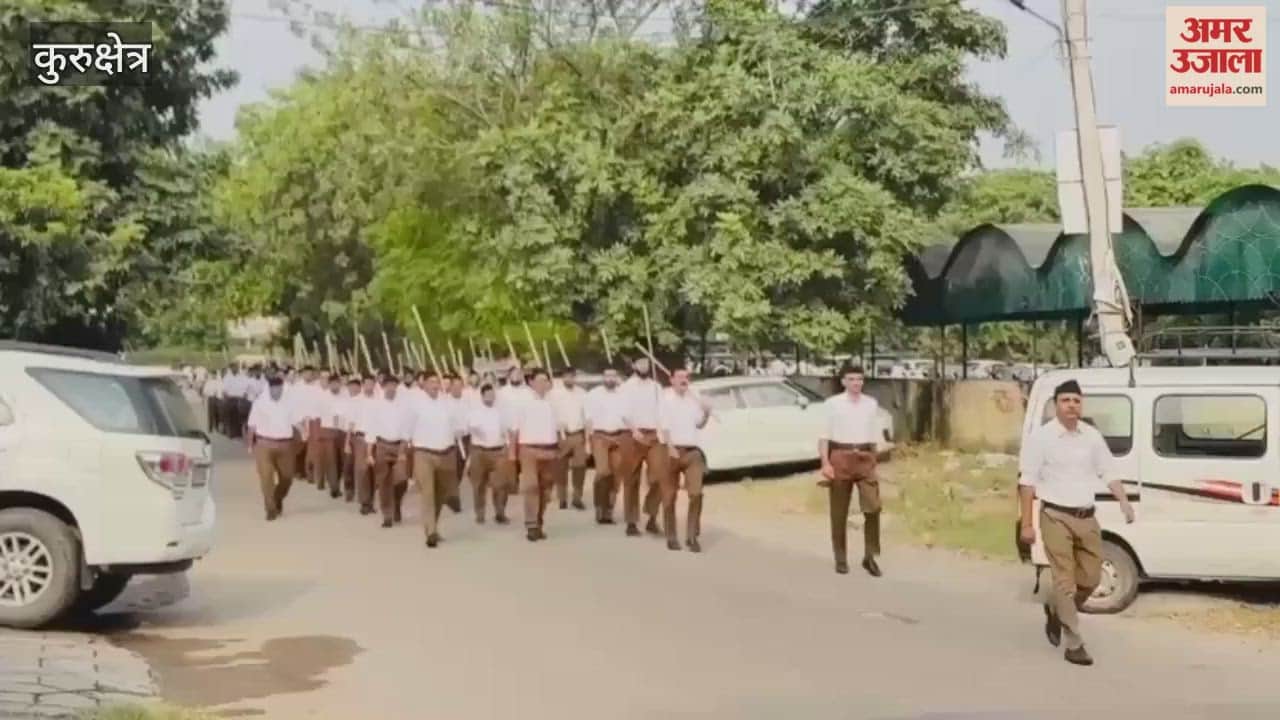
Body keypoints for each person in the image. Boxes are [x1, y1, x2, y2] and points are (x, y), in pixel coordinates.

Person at [1018, 379, 1135, 667]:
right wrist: (1027, 524)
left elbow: (1108, 470)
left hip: (1086, 517)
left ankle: (1058, 611)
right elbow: (1027, 483)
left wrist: (1123, 501)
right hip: (1055, 516)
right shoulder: (1042, 438)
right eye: (1065, 400)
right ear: (1056, 404)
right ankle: (1074, 643)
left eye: (1076, 400)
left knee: (1092, 579)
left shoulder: (1091, 436)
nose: (1072, 405)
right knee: (1064, 580)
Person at [819, 365, 884, 577]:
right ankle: (840, 557)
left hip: (865, 456)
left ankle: (870, 556)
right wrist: (825, 463)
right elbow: (824, 436)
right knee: (839, 511)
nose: (856, 383)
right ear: (844, 381)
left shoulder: (871, 403)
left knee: (873, 507)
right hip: (840, 455)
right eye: (852, 379)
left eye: (860, 379)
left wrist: (874, 459)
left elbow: (874, 433)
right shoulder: (832, 404)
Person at [658, 367, 712, 552]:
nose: (683, 380)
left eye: (686, 377)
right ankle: (671, 536)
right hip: (670, 449)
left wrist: (706, 413)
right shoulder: (665, 398)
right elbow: (663, 425)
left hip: (692, 452)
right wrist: (670, 446)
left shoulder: (693, 399)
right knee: (669, 496)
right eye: (679, 377)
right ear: (671, 380)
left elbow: (700, 424)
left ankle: (691, 536)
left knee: (696, 494)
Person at [408, 371, 464, 547]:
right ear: (423, 384)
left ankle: (433, 525)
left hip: (446, 452)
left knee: (441, 493)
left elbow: (459, 427)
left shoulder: (447, 403)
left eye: (436, 382)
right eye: (430, 382)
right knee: (428, 493)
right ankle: (430, 531)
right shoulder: (415, 404)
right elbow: (407, 429)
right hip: (424, 453)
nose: (434, 385)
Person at [510, 368, 563, 542]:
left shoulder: (554, 402)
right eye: (538, 381)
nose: (542, 384)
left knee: (546, 490)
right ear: (531, 382)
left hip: (549, 450)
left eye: (545, 381)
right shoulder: (523, 402)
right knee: (531, 486)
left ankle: (539, 520)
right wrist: (512, 452)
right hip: (529, 449)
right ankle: (531, 524)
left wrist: (559, 448)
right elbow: (514, 429)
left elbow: (559, 428)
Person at [619, 357, 667, 537]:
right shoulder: (626, 387)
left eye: (647, 363)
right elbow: (622, 412)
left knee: (659, 476)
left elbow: (663, 411)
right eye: (640, 363)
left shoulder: (656, 387)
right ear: (633, 366)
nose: (644, 366)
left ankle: (652, 516)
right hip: (632, 435)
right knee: (631, 479)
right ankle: (631, 522)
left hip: (654, 435)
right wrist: (633, 429)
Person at [246, 375, 305, 521]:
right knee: (266, 477)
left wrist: (304, 431)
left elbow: (296, 421)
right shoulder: (259, 403)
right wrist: (249, 444)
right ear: (269, 388)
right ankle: (270, 509)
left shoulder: (289, 403)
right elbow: (252, 426)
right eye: (274, 388)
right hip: (264, 444)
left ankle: (277, 498)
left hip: (285, 445)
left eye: (279, 388)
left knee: (287, 477)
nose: (277, 391)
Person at [366, 373, 413, 528]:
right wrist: (369, 453)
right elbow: (371, 430)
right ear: (383, 387)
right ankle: (387, 514)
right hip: (382, 446)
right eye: (388, 386)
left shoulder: (404, 406)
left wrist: (402, 450)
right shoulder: (376, 405)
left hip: (399, 445)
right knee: (384, 481)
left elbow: (407, 429)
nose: (391, 389)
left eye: (394, 386)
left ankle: (397, 504)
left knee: (402, 480)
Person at [584, 367, 627, 524]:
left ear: (617, 378)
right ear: (603, 377)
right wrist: (589, 442)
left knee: (617, 475)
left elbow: (627, 417)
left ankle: (609, 510)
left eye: (613, 376)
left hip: (619, 436)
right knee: (603, 472)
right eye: (607, 375)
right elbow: (588, 419)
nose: (610, 378)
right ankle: (599, 508)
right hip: (600, 436)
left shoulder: (623, 395)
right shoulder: (593, 395)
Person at [468, 384, 513, 524]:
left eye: (492, 395)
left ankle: (500, 512)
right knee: (479, 484)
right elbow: (472, 428)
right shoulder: (474, 412)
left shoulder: (501, 412)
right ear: (482, 396)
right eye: (487, 395)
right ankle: (480, 514)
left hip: (498, 451)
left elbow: (507, 431)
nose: (490, 397)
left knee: (500, 484)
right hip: (479, 451)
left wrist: (507, 446)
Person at [549, 366, 588, 511]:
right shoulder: (553, 394)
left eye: (571, 376)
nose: (569, 379)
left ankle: (577, 497)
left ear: (575, 377)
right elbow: (549, 414)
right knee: (560, 468)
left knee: (580, 467)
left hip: (578, 433)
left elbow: (586, 415)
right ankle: (562, 498)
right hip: (561, 434)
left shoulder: (582, 393)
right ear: (562, 377)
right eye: (566, 376)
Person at [349, 375, 380, 515]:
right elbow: (351, 423)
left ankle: (371, 501)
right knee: (362, 470)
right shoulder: (356, 401)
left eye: (371, 383)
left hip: (376, 439)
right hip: (361, 438)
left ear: (374, 384)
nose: (369, 386)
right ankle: (364, 502)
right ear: (363, 384)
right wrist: (347, 442)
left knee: (373, 471)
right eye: (366, 383)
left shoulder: (379, 400)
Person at [315, 373, 346, 498]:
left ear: (340, 384)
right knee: (331, 460)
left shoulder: (345, 396)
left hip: (342, 431)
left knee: (341, 460)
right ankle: (334, 488)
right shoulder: (323, 397)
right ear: (329, 384)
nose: (334, 386)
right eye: (332, 383)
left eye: (336, 383)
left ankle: (336, 482)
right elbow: (317, 416)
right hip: (328, 431)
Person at [337, 376, 362, 502]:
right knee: (348, 465)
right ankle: (349, 489)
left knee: (361, 466)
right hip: (345, 435)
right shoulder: (344, 401)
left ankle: (363, 491)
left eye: (355, 386)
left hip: (359, 435)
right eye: (350, 386)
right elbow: (338, 417)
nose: (353, 389)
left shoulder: (363, 401)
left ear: (359, 387)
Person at [201, 370, 223, 434]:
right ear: (211, 375)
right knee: (211, 414)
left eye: (215, 374)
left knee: (217, 414)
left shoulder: (219, 382)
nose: (214, 376)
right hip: (211, 398)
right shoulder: (208, 382)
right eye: (213, 374)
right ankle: (210, 428)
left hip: (218, 398)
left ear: (216, 375)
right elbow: (205, 391)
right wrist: (210, 393)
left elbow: (221, 390)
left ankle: (216, 427)